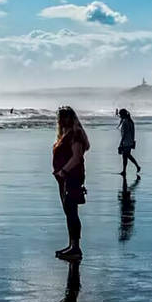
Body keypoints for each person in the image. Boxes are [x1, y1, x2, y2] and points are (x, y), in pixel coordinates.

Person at [53, 107, 90, 260]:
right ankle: (72, 245)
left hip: (71, 178)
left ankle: (75, 247)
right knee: (69, 212)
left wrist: (64, 171)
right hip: (64, 179)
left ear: (71, 118)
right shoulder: (65, 134)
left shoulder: (75, 134)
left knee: (72, 212)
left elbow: (77, 157)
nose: (61, 120)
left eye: (64, 117)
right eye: (60, 117)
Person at [117, 109, 141, 176]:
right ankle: (125, 170)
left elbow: (125, 134)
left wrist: (120, 144)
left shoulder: (126, 122)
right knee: (126, 156)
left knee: (127, 156)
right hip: (130, 141)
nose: (120, 116)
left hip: (126, 142)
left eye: (121, 115)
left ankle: (136, 166)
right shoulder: (130, 121)